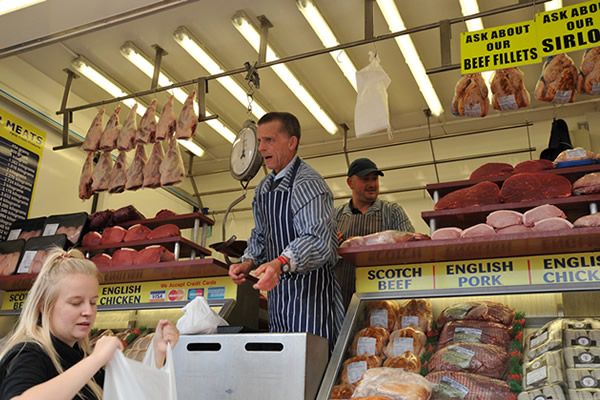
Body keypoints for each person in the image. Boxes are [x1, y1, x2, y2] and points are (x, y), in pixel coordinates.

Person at [228, 111, 343, 350]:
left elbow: (317, 240)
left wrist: (280, 262)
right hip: (279, 300)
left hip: (312, 303)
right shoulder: (264, 188)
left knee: (312, 373)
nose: (260, 148)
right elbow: (261, 234)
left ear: (292, 142)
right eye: (259, 141)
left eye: (269, 140)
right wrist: (247, 262)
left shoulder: (308, 184)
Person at [0, 248, 179, 400]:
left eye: (93, 302)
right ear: (43, 306)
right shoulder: (29, 354)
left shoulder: (78, 356)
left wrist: (157, 353)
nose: (88, 311)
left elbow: (131, 393)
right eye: (76, 303)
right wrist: (96, 359)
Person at [334, 157, 415, 309]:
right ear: (350, 183)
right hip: (343, 298)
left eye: (375, 179)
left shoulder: (392, 211)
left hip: (384, 297)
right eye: (366, 179)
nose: (372, 184)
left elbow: (411, 247)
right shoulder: (335, 216)